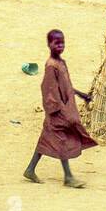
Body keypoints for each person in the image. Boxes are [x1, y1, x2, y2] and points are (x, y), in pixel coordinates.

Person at [24, 29, 96, 187]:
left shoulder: (61, 63)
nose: (60, 46)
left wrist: (81, 94)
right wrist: (61, 110)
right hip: (57, 111)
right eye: (56, 43)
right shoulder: (51, 65)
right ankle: (68, 177)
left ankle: (30, 169)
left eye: (62, 42)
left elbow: (67, 86)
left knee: (46, 140)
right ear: (49, 44)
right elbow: (49, 89)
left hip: (63, 108)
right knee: (61, 140)